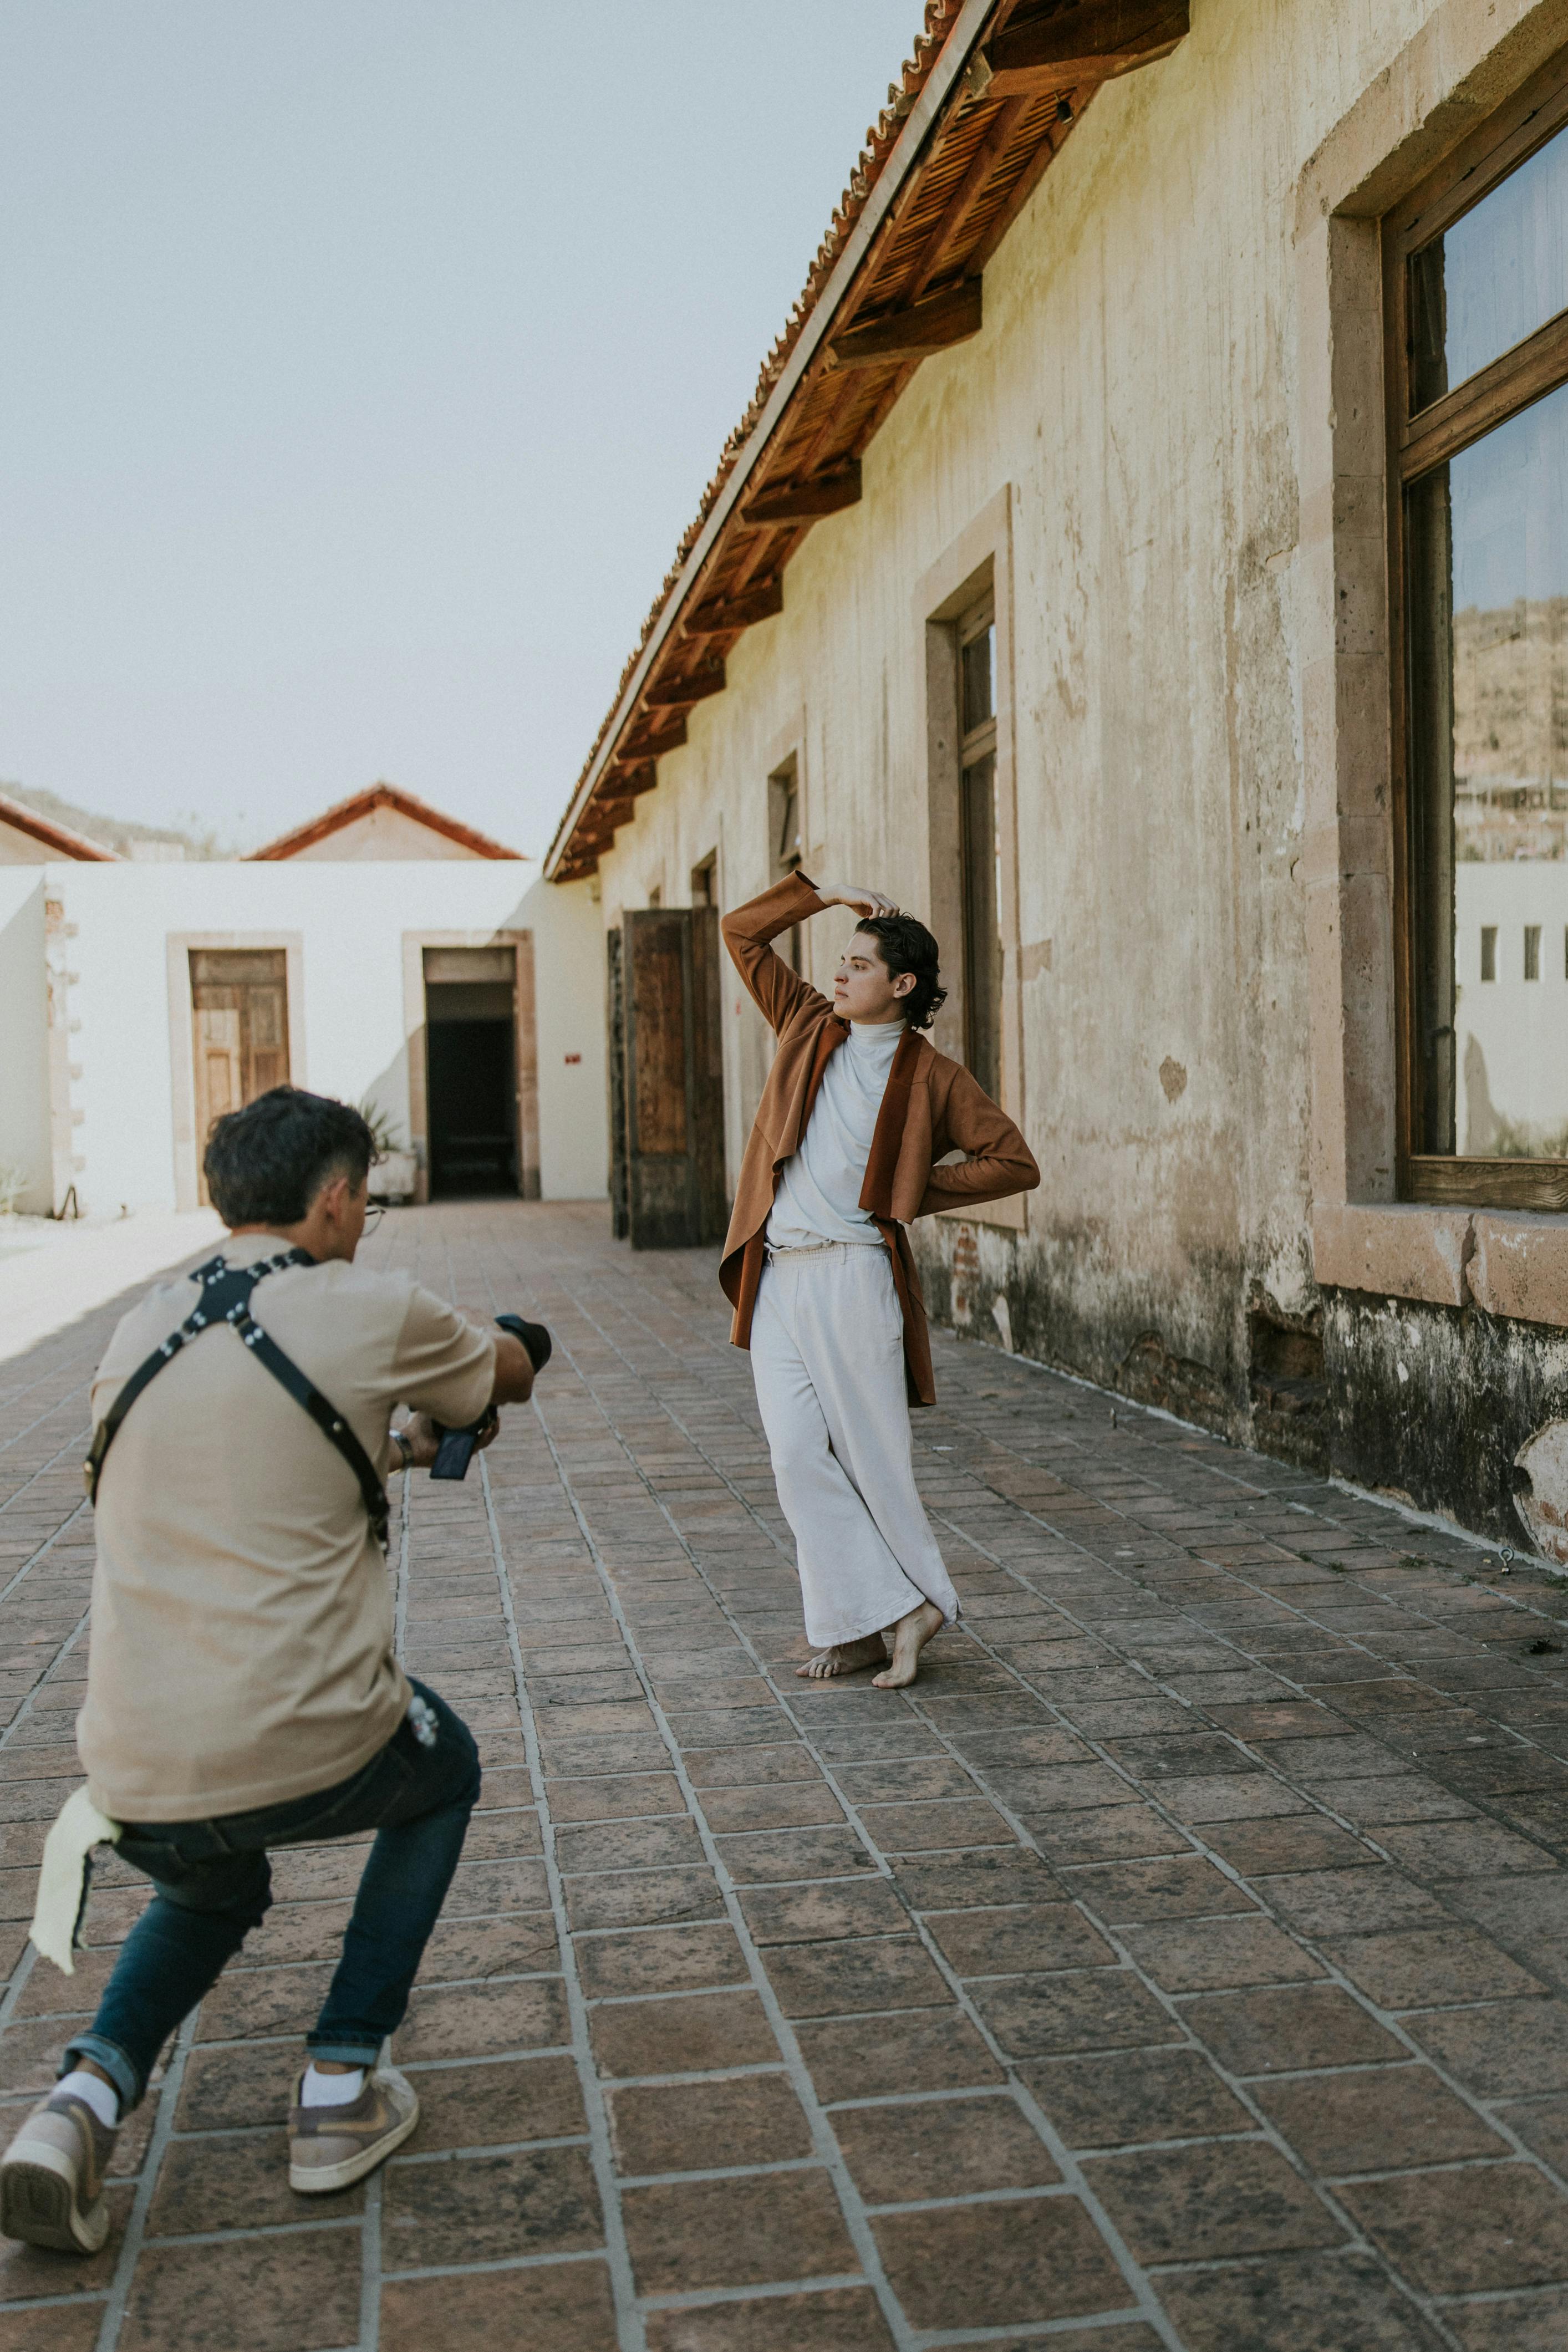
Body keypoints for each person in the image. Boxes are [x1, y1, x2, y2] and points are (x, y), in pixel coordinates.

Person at [0, 1087, 539, 2254]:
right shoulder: (372, 1302)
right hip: (311, 1738)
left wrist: (384, 1450)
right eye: (365, 1207)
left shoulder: (138, 1321)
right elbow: (499, 1375)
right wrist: (516, 1348)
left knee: (212, 1880)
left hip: (130, 1763)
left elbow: (231, 1480)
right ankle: (342, 2080)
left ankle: (78, 2103)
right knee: (445, 1771)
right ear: (337, 1198)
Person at [720, 872, 1038, 1689]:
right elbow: (742, 933)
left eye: (859, 965)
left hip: (856, 1277)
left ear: (901, 985)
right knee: (795, 1457)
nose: (840, 974)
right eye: (842, 959)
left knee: (874, 1461)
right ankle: (885, 1609)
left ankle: (895, 1613)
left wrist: (911, 1188)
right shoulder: (805, 1025)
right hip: (781, 1276)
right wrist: (824, 894)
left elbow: (1013, 1162)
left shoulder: (930, 1074)